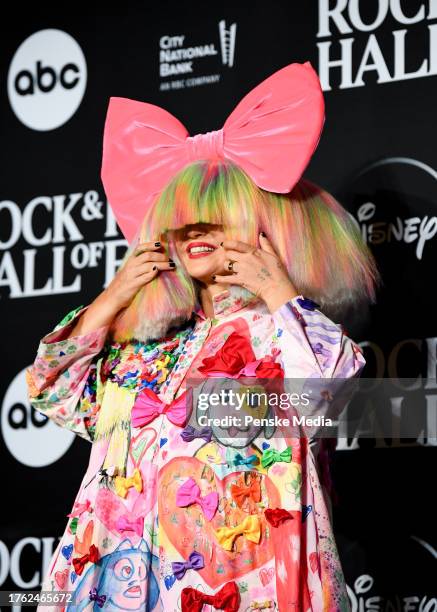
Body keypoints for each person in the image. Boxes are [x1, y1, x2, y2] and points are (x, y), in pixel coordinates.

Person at [27, 62, 380, 611]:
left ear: (263, 221)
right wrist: (116, 296)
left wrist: (280, 291)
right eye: (182, 219)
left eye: (213, 217)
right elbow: (53, 387)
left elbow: (328, 393)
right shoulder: (149, 348)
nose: (194, 232)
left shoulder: (284, 337)